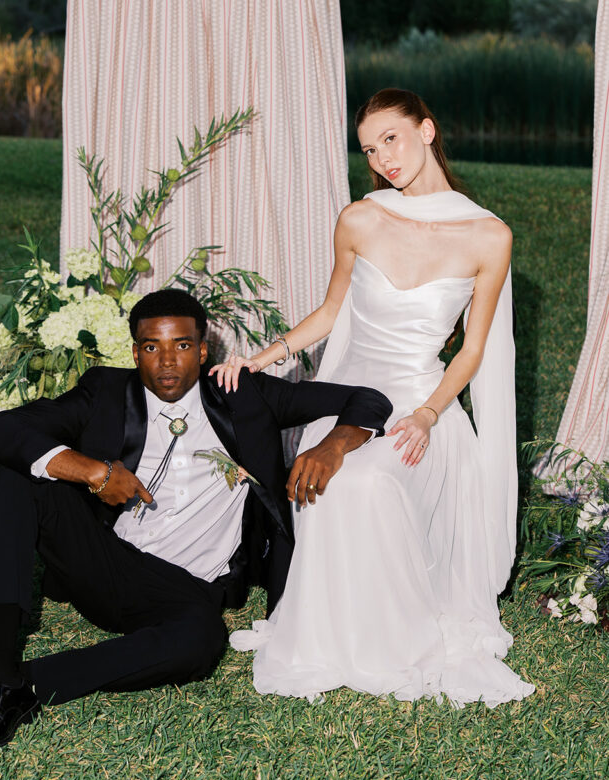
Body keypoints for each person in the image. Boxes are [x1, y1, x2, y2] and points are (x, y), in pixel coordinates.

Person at [0, 288, 391, 756]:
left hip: (189, 590)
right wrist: (95, 473)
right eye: (152, 347)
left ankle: (21, 684)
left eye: (182, 346)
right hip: (108, 566)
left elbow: (367, 399)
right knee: (19, 473)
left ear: (204, 351)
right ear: (135, 352)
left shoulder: (244, 396)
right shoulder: (106, 391)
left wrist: (332, 446)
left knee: (201, 640)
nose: (167, 362)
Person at [213, 88, 535, 707]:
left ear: (427, 130)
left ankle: (392, 636)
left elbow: (471, 352)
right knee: (331, 477)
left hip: (420, 400)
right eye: (369, 148)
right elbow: (332, 312)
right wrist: (262, 356)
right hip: (347, 394)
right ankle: (332, 628)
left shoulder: (488, 236)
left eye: (392, 138)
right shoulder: (359, 218)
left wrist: (428, 413)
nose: (384, 158)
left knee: (367, 482)